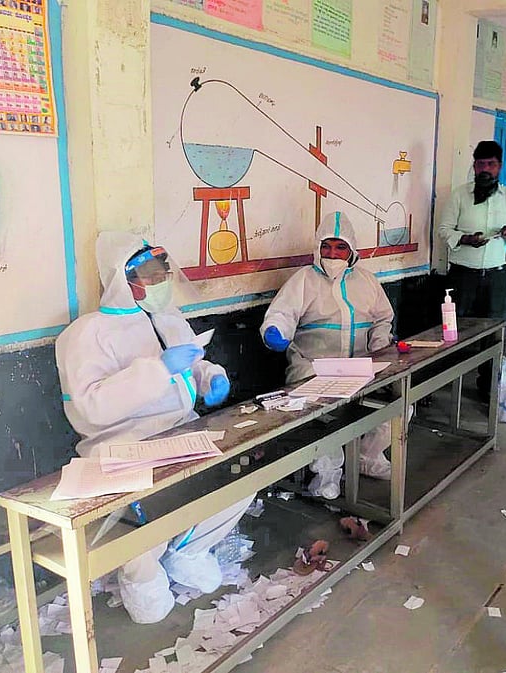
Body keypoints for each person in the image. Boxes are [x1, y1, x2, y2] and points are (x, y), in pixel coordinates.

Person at [56, 231, 254, 624]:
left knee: (240, 478)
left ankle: (189, 552)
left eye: (162, 272)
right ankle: (142, 580)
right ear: (121, 279)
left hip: (182, 431)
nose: (160, 280)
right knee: (143, 527)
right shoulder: (86, 334)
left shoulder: (168, 319)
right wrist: (158, 370)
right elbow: (90, 406)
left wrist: (209, 376)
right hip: (123, 445)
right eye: (149, 274)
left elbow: (192, 362)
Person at [260, 211, 395, 497]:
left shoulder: (367, 280)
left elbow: (383, 318)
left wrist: (380, 346)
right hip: (313, 366)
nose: (332, 254)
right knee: (324, 415)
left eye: (340, 247)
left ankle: (367, 457)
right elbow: (282, 313)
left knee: (398, 405)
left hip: (361, 366)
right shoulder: (303, 280)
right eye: (327, 247)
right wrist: (274, 331)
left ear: (352, 250)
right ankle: (327, 474)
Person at [437, 140, 506, 400]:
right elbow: (444, 230)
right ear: (474, 166)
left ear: (499, 167)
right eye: (481, 164)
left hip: (496, 276)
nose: (485, 169)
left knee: (494, 332)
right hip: (462, 276)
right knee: (453, 330)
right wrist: (465, 239)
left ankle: (487, 386)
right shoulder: (459, 195)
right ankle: (445, 383)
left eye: (491, 164)